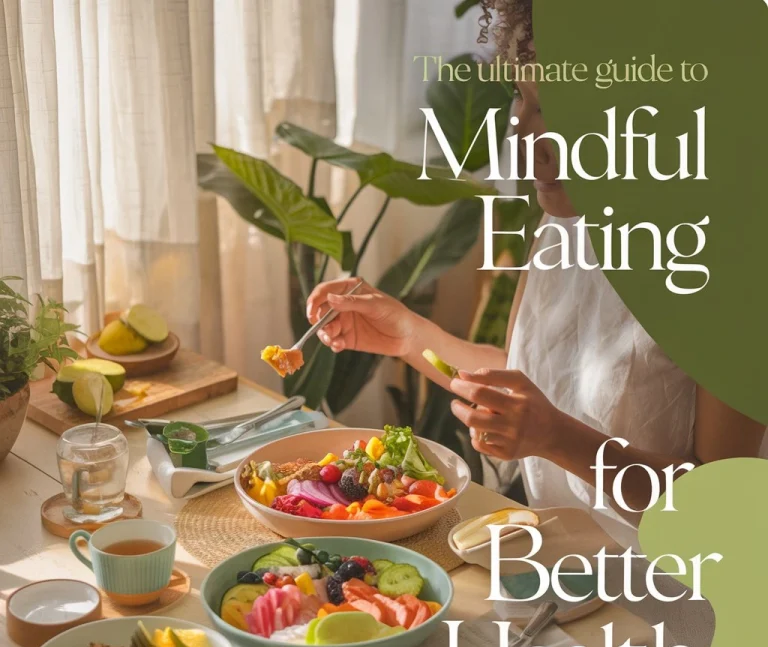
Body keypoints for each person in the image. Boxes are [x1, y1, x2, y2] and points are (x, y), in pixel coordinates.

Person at [306, 0, 766, 549]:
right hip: (556, 560)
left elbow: (723, 509)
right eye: (522, 97)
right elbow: (532, 384)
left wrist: (556, 438)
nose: (523, 131)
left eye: (557, 111)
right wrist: (409, 336)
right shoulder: (563, 228)